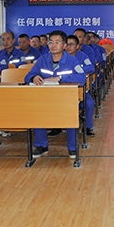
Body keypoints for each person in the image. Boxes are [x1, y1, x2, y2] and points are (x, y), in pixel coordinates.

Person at [24, 30, 86, 159]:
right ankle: (41, 145)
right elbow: (28, 76)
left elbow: (82, 78)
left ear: (64, 45)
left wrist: (61, 79)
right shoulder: (42, 60)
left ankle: (72, 147)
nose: (53, 45)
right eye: (51, 42)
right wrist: (33, 77)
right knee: (37, 112)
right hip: (45, 98)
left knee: (70, 114)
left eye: (57, 42)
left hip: (65, 98)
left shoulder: (72, 61)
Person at [66, 34, 96, 136]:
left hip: (79, 90)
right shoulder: (60, 57)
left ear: (77, 46)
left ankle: (88, 127)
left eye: (71, 44)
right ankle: (56, 128)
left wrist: (77, 71)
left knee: (89, 103)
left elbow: (91, 67)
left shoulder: (83, 56)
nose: (68, 47)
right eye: (67, 44)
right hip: (63, 90)